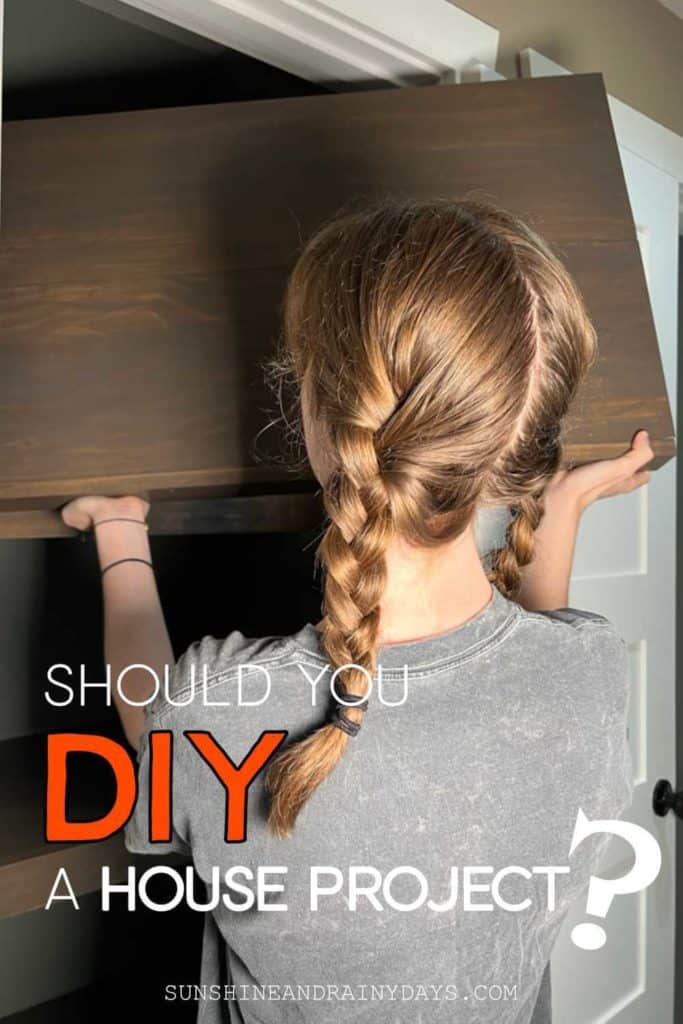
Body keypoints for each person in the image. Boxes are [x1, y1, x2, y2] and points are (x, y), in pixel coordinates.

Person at [61, 200, 649, 1024]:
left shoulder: (217, 710)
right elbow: (532, 658)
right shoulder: (591, 671)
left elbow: (147, 708)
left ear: (318, 418)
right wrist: (563, 503)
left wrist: (120, 532)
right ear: (515, 444)